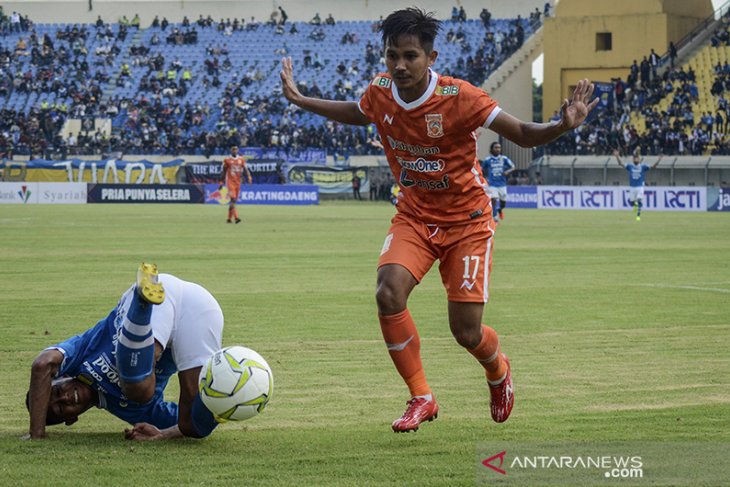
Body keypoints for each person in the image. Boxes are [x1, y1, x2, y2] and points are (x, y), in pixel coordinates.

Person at [280, 7, 598, 432]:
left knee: (466, 331)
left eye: (410, 56)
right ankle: (421, 397)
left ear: (431, 58)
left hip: (466, 221)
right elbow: (361, 112)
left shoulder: (460, 97)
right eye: (392, 55)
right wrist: (303, 100)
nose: (399, 65)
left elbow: (520, 132)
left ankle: (498, 370)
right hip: (414, 215)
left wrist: (561, 125)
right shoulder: (380, 91)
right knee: (388, 292)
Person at [26, 264, 223, 440]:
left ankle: (141, 303)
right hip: (203, 314)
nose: (66, 397)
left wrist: (36, 433)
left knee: (139, 390)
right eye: (61, 408)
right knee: (193, 425)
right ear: (71, 419)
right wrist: (163, 434)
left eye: (59, 391)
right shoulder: (129, 412)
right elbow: (187, 420)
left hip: (161, 297)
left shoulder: (78, 356)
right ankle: (238, 384)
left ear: (63, 376)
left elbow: (42, 365)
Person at [614, 149, 662, 221]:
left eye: (637, 158)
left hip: (640, 187)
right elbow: (620, 164)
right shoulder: (630, 166)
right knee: (632, 202)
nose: (636, 159)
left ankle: (638, 216)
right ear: (633, 160)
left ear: (639, 160)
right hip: (632, 187)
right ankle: (635, 205)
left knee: (639, 200)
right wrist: (617, 156)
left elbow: (653, 166)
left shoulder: (643, 167)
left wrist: (659, 160)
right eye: (634, 158)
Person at [481, 141, 515, 223]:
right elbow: (481, 169)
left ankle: (500, 210)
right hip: (492, 184)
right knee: (494, 200)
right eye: (496, 147)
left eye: (499, 147)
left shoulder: (504, 159)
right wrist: (484, 178)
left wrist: (508, 171)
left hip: (502, 184)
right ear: (492, 149)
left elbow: (513, 167)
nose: (498, 149)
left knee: (503, 203)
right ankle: (495, 218)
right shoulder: (487, 160)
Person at [220, 145, 252, 224]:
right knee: (233, 200)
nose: (235, 151)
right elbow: (223, 172)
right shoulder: (227, 160)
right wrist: (221, 182)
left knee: (233, 202)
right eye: (233, 149)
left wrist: (249, 176)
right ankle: (236, 218)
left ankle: (229, 219)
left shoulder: (241, 159)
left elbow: (245, 169)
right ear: (231, 150)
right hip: (230, 182)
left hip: (238, 183)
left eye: (236, 149)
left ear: (237, 150)